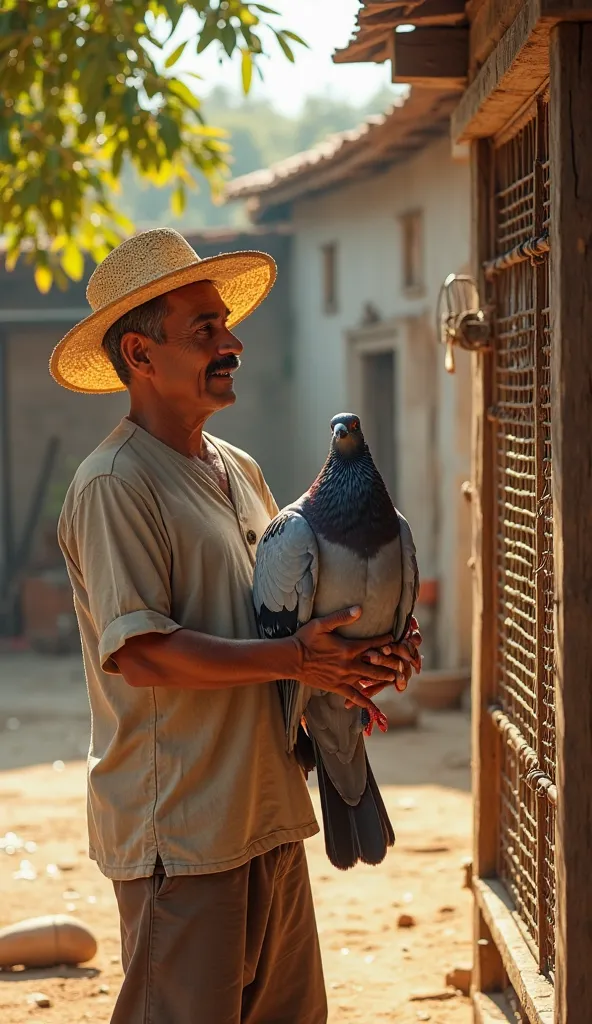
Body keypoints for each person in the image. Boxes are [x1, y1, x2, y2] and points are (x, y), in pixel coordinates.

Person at [52, 228, 420, 1024]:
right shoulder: (114, 484)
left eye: (226, 324)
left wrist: (357, 652)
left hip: (268, 812)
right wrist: (297, 659)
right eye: (205, 330)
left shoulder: (239, 469)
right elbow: (143, 654)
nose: (232, 342)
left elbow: (284, 618)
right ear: (141, 356)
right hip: (181, 834)